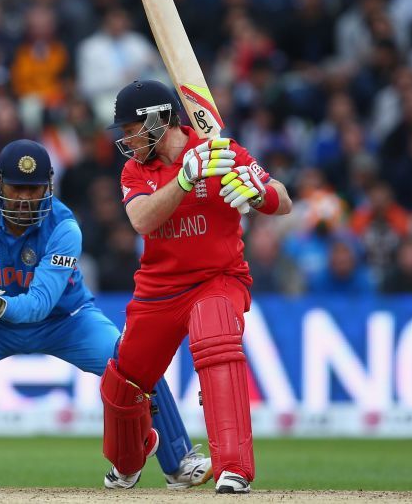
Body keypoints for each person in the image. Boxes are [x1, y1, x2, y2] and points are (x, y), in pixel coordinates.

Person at [0, 139, 212, 489]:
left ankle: (179, 462)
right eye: (18, 188)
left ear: (48, 186)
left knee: (137, 365)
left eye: (35, 189)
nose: (26, 198)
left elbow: (38, 305)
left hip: (66, 321)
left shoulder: (64, 227)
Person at [101, 80, 292, 494]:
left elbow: (284, 198)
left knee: (216, 335)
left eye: (131, 128)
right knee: (125, 381)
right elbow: (142, 220)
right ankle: (128, 461)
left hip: (217, 277)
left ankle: (233, 468)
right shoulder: (136, 169)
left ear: (157, 121)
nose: (126, 139)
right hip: (158, 288)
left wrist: (257, 193)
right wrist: (186, 178)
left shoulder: (222, 149)